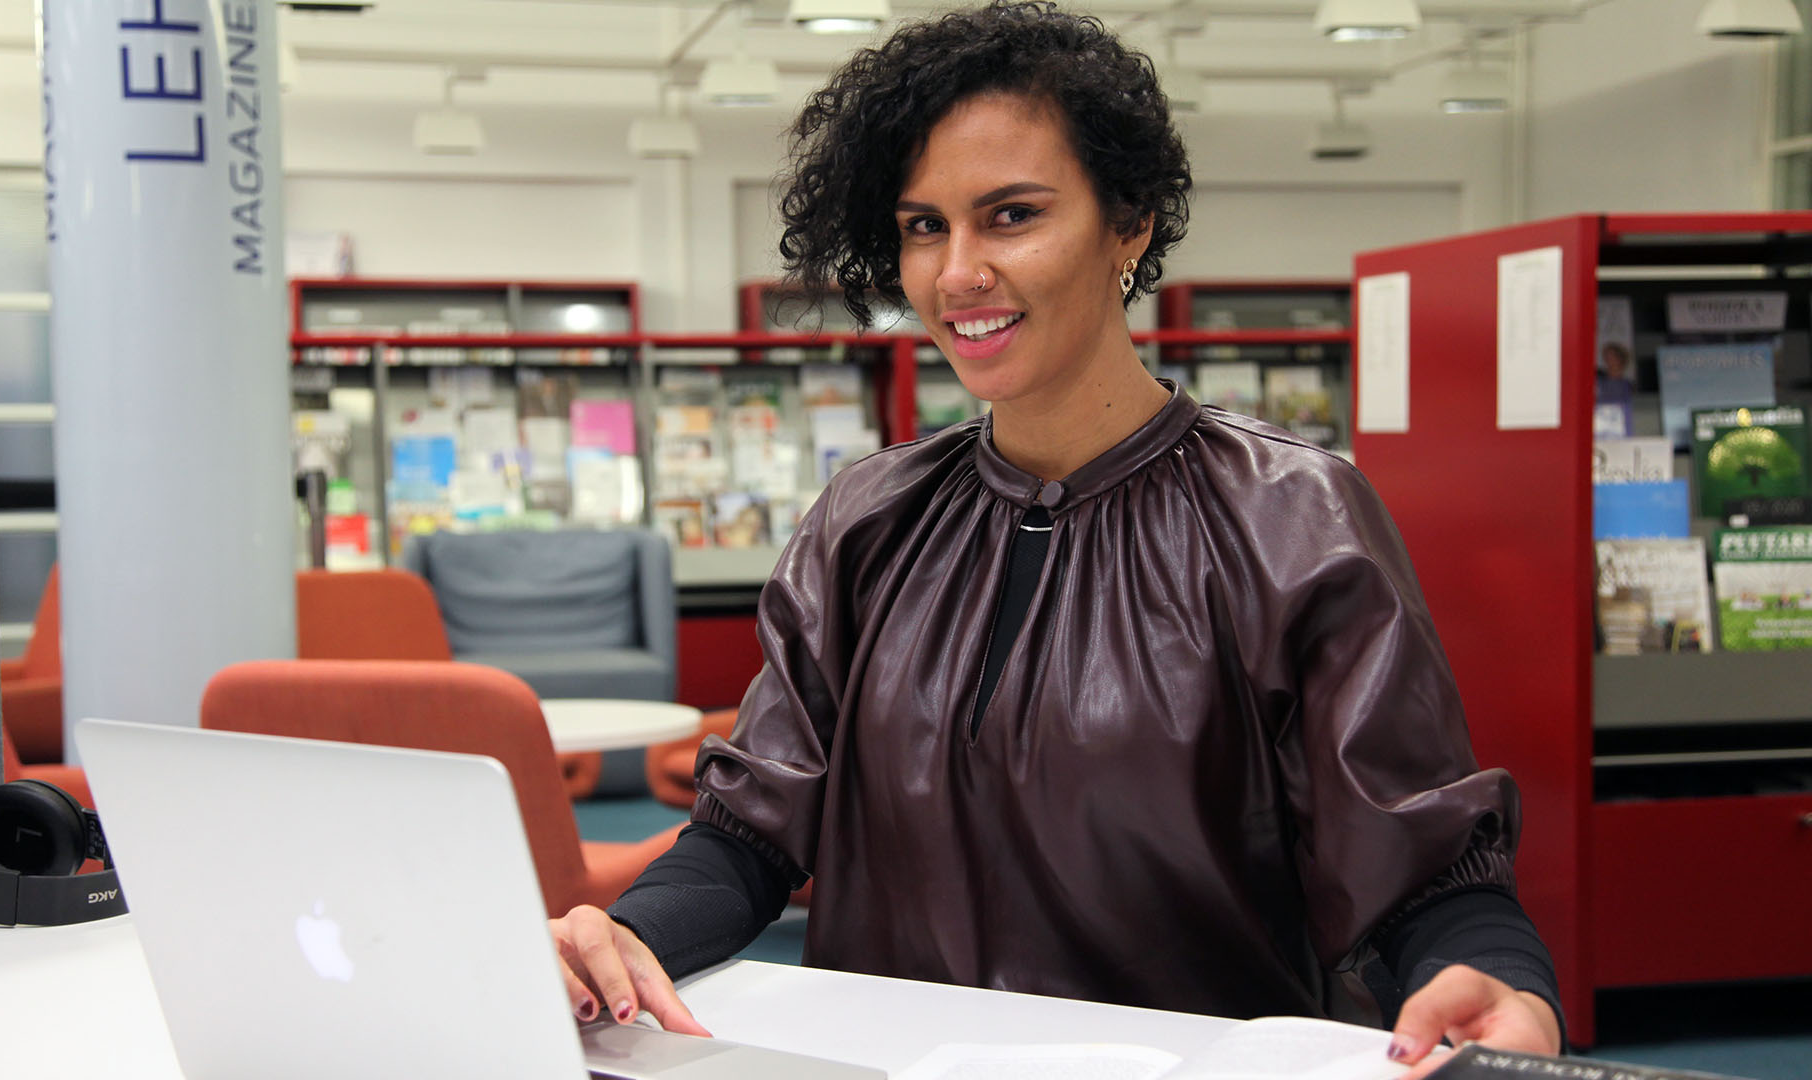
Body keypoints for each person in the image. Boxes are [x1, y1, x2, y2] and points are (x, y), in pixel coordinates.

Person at [550, 4, 1562, 1073]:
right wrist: (630, 931)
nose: (957, 274)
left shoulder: (1293, 516)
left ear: (1127, 223)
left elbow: (1422, 870)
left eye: (1012, 215)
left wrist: (1504, 982)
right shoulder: (867, 518)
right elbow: (749, 834)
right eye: (925, 226)